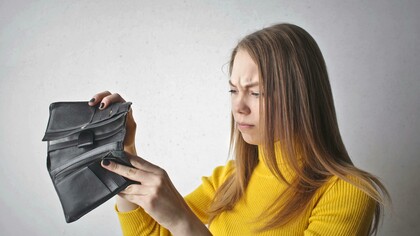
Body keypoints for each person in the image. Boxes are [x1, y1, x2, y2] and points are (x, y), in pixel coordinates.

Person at [88, 23, 390, 235]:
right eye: (233, 90)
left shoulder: (347, 193)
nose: (239, 107)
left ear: (301, 97)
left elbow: (180, 228)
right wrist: (122, 153)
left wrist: (184, 223)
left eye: (255, 92)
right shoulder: (230, 179)